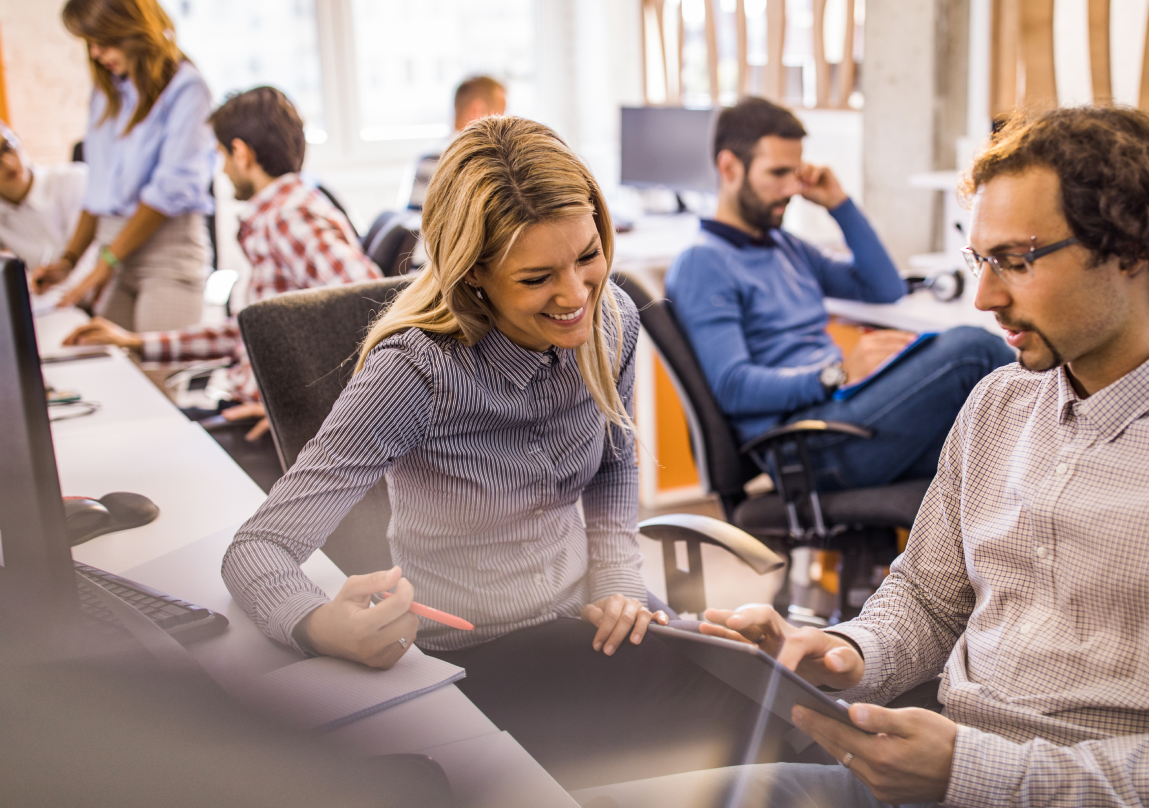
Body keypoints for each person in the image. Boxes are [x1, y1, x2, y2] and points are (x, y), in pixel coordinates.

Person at [573, 106, 1149, 807]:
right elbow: (926, 600)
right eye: (979, 260)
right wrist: (846, 651)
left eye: (1016, 260)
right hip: (928, 771)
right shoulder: (1000, 403)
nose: (985, 298)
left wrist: (973, 773)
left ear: (1133, 250)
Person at [220, 115, 832, 791]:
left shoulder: (611, 319)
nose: (576, 296)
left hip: (595, 618)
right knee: (732, 760)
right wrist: (316, 625)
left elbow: (614, 463)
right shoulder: (416, 373)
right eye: (539, 277)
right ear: (475, 272)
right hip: (480, 654)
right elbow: (257, 549)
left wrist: (618, 576)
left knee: (795, 722)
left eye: (588, 257)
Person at [667, 97, 1013, 492]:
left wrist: (839, 204)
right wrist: (837, 375)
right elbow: (733, 387)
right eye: (777, 173)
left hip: (840, 414)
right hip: (804, 442)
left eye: (795, 174)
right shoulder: (704, 262)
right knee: (973, 350)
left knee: (990, 453)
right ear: (729, 167)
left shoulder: (787, 246)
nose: (790, 189)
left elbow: (884, 288)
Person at [62, 86, 380, 491]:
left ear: (242, 153)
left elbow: (375, 306)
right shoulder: (276, 214)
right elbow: (243, 332)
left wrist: (313, 411)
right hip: (243, 406)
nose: (223, 169)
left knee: (128, 465)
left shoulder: (290, 216)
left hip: (264, 429)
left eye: (221, 156)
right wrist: (135, 342)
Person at [31, 0, 217, 332]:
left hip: (165, 254)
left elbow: (169, 191)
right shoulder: (107, 93)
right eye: (90, 43)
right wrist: (69, 261)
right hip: (113, 251)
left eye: (103, 41)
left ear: (132, 31)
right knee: (100, 364)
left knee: (152, 378)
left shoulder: (187, 88)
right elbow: (97, 189)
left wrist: (105, 264)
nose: (95, 53)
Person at [0, 122, 91, 283]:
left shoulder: (74, 180)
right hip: (46, 303)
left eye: (7, 147)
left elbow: (88, 264)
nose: (8, 162)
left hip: (98, 292)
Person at [400, 75, 507, 210]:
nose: (504, 123)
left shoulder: (429, 157)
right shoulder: (470, 161)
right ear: (477, 110)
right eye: (501, 113)